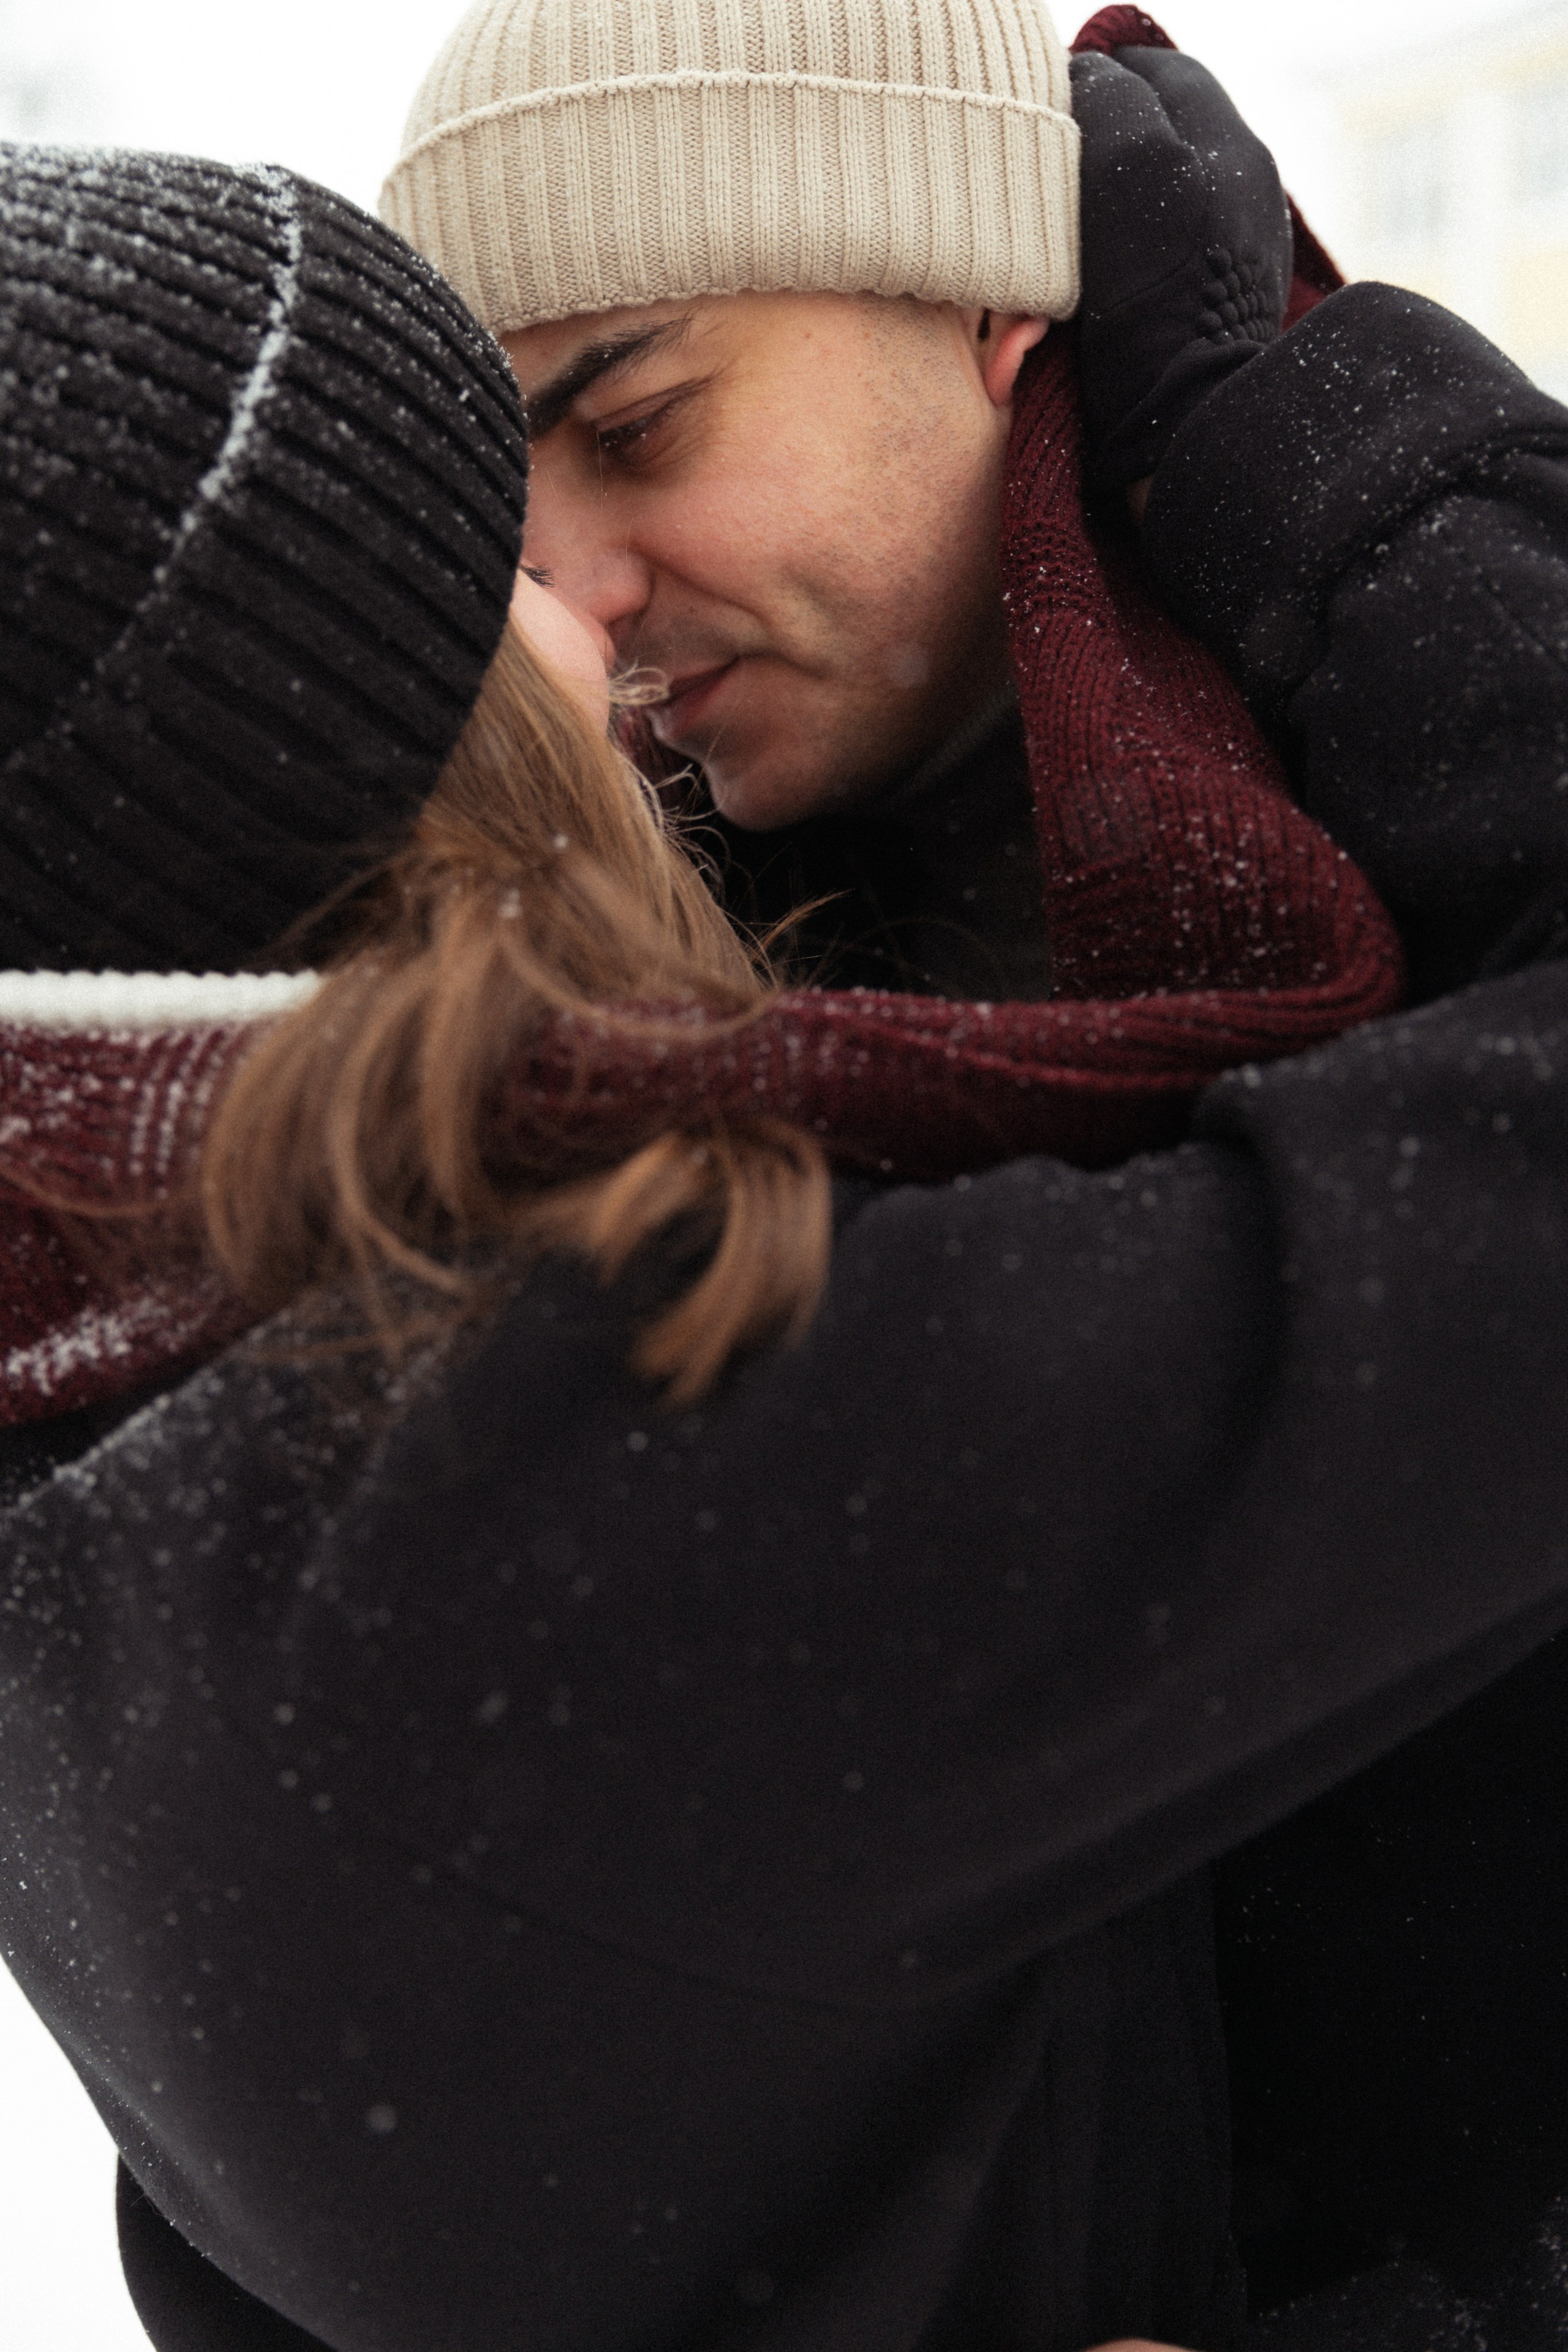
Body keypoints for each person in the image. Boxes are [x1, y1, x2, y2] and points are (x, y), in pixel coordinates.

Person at [0, 125, 1566, 2352]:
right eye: (498, 571)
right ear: (335, 764)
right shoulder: (605, 1477)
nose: (589, 616)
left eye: (638, 428)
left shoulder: (99, 1458)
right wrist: (1319, 427)